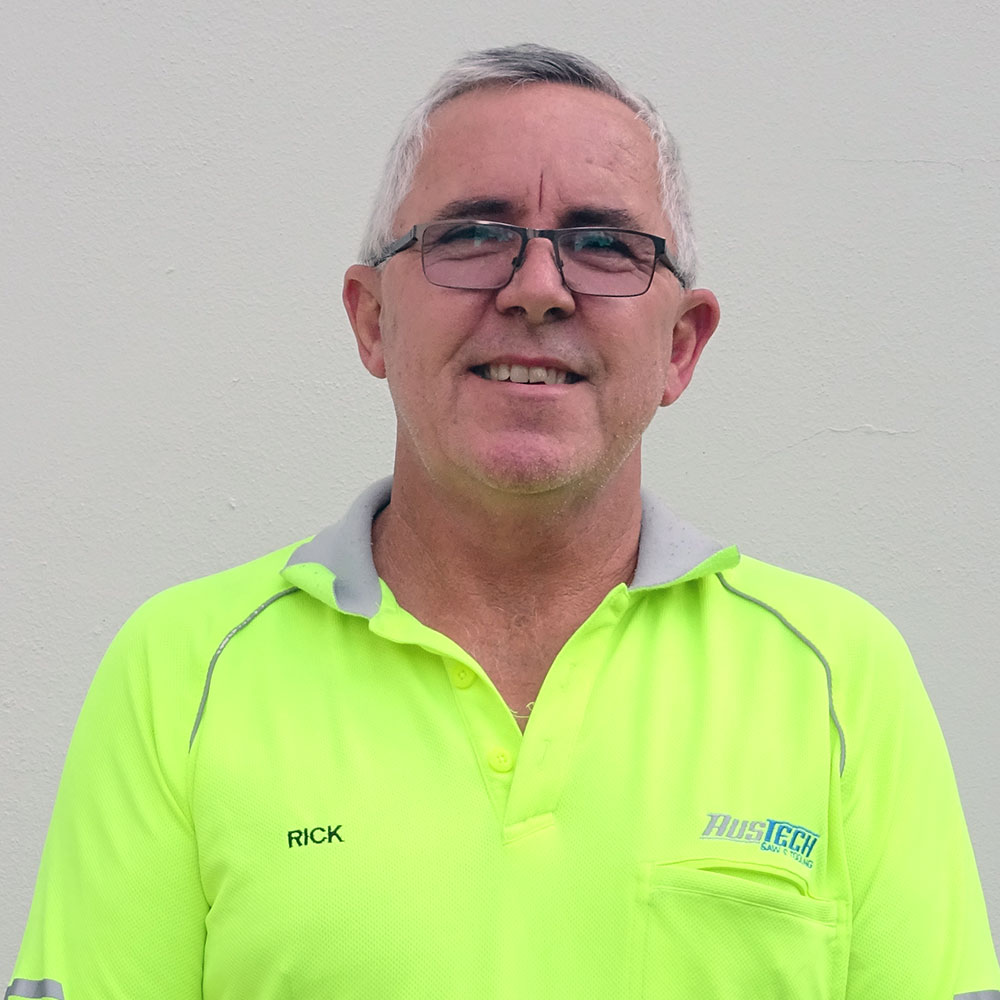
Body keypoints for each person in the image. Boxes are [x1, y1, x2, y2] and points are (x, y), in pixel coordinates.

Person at [6, 43, 998, 1000]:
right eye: (472, 235)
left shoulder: (838, 677)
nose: (536, 291)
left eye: (603, 244)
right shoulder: (182, 672)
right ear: (371, 320)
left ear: (681, 346)